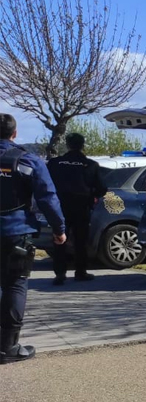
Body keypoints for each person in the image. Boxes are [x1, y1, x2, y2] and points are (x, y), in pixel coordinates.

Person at [0, 113, 66, 364]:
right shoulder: (26, 160)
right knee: (15, 284)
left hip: (14, 231)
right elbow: (48, 197)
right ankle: (8, 346)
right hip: (15, 231)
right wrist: (59, 229)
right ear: (14, 133)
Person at [47, 133, 105, 284]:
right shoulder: (91, 165)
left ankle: (60, 274)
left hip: (59, 206)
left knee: (59, 238)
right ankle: (80, 271)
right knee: (80, 241)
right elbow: (102, 188)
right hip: (81, 206)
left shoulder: (55, 163)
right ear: (83, 145)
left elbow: (45, 183)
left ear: (67, 144)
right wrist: (91, 195)